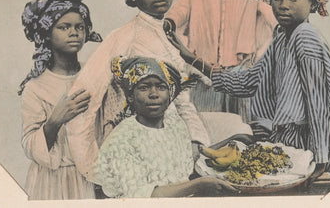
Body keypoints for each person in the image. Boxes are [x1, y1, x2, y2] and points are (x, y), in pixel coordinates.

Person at [167, 0, 330, 183]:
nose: (283, 5)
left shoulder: (305, 37)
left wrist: (320, 159)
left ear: (312, 3)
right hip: (310, 139)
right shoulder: (282, 38)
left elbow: (317, 103)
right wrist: (192, 59)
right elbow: (248, 82)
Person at [65, 0, 211, 185]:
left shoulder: (174, 37)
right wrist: (92, 166)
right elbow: (85, 96)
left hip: (173, 141)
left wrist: (196, 140)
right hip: (135, 144)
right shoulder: (124, 36)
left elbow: (182, 100)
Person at [164, 0, 282, 121]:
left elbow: (275, 19)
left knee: (243, 127)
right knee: (207, 127)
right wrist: (169, 24)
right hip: (202, 72)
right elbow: (178, 13)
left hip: (242, 73)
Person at [93, 56, 238, 198]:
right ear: (131, 96)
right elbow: (144, 197)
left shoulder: (175, 125)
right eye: (144, 87)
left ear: (170, 94)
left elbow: (186, 167)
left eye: (161, 87)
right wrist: (200, 185)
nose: (154, 94)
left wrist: (235, 138)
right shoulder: (122, 139)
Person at [19, 0, 102, 200]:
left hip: (90, 179)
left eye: (79, 27)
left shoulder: (95, 76)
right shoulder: (36, 87)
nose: (74, 33)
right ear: (47, 33)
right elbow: (30, 144)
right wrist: (56, 120)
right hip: (50, 181)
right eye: (64, 27)